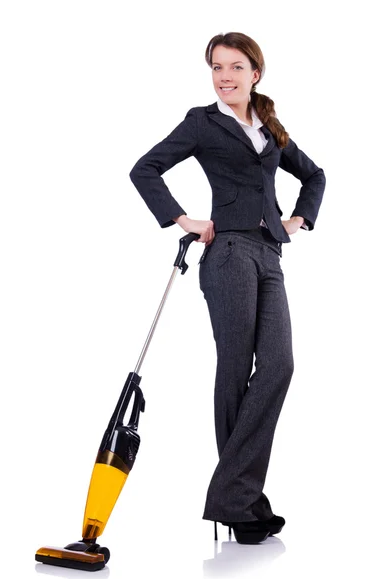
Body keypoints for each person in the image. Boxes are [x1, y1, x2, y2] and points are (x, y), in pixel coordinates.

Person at [129, 31, 326, 545]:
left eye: (235, 67)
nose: (225, 76)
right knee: (236, 370)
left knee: (279, 364)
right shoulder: (202, 123)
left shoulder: (270, 129)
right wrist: (182, 220)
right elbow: (144, 168)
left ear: (255, 73)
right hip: (229, 255)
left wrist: (299, 219)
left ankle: (235, 498)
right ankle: (243, 506)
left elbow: (315, 176)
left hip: (269, 256)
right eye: (217, 67)